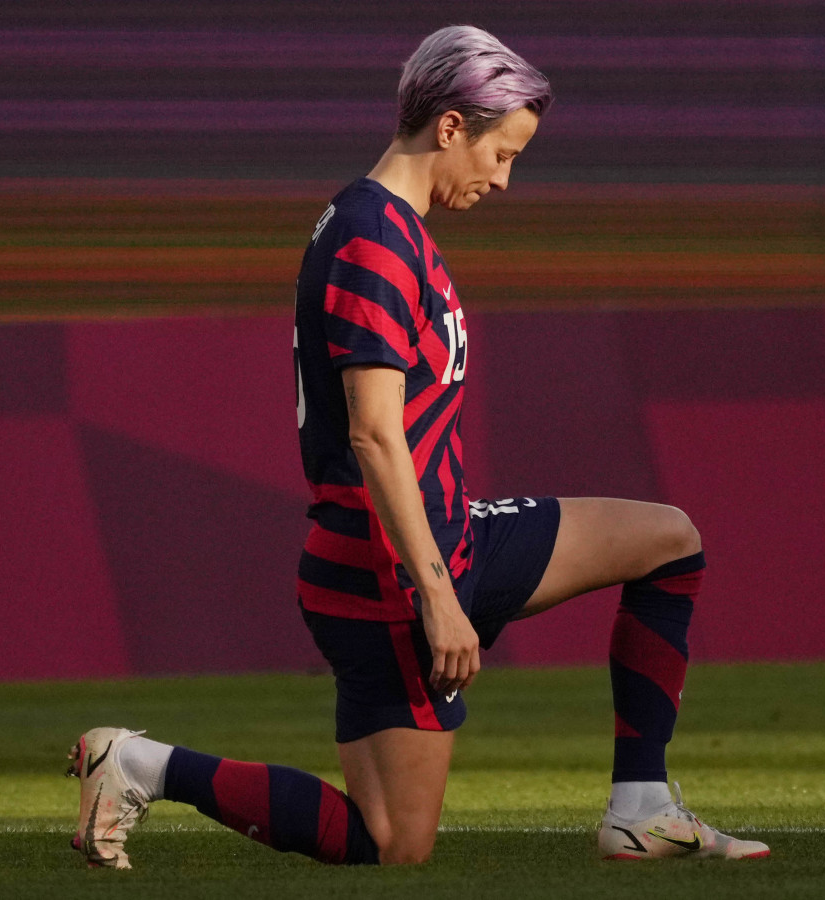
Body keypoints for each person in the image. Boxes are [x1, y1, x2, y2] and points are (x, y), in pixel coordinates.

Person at [66, 25, 769, 869]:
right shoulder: (373, 240)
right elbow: (371, 432)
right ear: (450, 128)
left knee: (668, 542)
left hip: (447, 537)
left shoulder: (389, 227)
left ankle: (643, 808)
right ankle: (142, 766)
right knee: (393, 841)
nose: (503, 179)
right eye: (501, 154)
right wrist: (438, 599)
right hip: (389, 571)